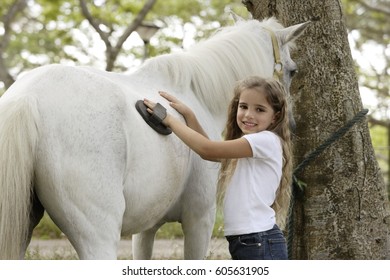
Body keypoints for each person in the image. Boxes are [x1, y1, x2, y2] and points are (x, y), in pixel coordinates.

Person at [143, 76, 292, 260]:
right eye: (243, 106)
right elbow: (210, 150)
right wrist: (189, 115)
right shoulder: (254, 145)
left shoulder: (264, 141)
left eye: (260, 110)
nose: (248, 115)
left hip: (258, 241)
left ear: (275, 117)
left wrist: (169, 120)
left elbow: (206, 149)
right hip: (252, 240)